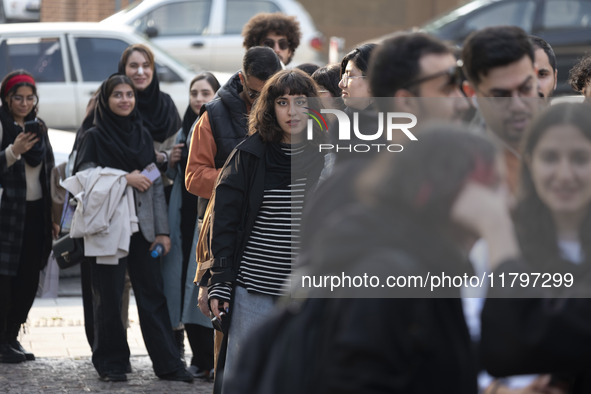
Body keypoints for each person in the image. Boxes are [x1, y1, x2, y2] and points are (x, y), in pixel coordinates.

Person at [225, 126, 519, 393]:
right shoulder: (392, 274)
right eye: (494, 184)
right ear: (453, 190)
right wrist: (498, 231)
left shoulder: (425, 265)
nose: (507, 199)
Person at [206, 69, 328, 393]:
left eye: (301, 102)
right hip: (253, 290)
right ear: (270, 108)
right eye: (283, 102)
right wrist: (219, 282)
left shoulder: (327, 157)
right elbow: (224, 225)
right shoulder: (249, 155)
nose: (292, 111)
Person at [72, 74, 193, 383]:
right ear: (106, 100)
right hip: (108, 229)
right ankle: (112, 364)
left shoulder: (141, 134)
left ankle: (168, 364)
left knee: (153, 295)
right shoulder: (94, 137)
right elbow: (82, 177)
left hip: (143, 229)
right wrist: (123, 178)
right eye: (117, 95)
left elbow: (151, 181)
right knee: (109, 297)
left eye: (129, 94)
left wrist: (162, 231)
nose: (125, 99)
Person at [481, 103, 591, 394]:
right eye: (550, 158)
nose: (565, 174)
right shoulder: (496, 245)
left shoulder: (499, 241)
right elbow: (467, 341)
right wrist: (499, 391)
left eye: (580, 158)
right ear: (529, 162)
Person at [161, 72, 220, 379]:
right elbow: (171, 179)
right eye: (194, 92)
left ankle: (205, 358)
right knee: (177, 285)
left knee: (199, 284)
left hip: (204, 216)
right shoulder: (183, 130)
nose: (199, 98)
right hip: (181, 217)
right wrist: (171, 161)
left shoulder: (220, 124)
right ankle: (182, 352)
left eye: (206, 92)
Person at [0, 70, 56, 363]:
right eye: (17, 98)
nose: (23, 103)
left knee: (28, 278)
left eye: (29, 98)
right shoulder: (2, 126)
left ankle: (12, 336)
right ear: (7, 99)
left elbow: (50, 172)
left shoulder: (39, 128)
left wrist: (55, 215)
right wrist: (12, 151)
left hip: (37, 212)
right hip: (8, 213)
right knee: (5, 280)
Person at [462, 26, 543, 194]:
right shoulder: (460, 170)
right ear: (472, 93)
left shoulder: (576, 139)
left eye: (526, 88)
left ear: (536, 75)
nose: (517, 105)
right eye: (501, 96)